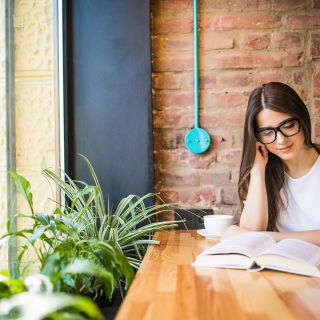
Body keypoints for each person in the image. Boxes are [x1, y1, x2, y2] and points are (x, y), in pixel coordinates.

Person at [222, 82, 320, 245]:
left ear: (302, 119)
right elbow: (251, 232)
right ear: (257, 137)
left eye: (288, 126)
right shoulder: (265, 172)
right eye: (267, 133)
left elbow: (250, 236)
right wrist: (257, 169)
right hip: (280, 265)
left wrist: (271, 237)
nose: (281, 140)